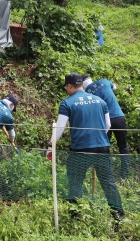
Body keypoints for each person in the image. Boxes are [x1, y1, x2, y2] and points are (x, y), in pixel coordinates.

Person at [46, 73, 124, 220]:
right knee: (108, 182)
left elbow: (60, 128)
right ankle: (119, 216)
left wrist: (51, 145)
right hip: (102, 147)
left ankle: (76, 216)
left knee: (75, 182)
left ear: (69, 86)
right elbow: (108, 125)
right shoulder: (100, 101)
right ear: (81, 84)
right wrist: (98, 138)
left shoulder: (67, 103)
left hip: (80, 149)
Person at [82, 75, 130, 178]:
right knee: (123, 146)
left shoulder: (87, 93)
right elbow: (115, 88)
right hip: (119, 117)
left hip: (104, 120)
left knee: (104, 146)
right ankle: (125, 175)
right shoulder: (104, 81)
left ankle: (107, 174)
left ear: (82, 85)